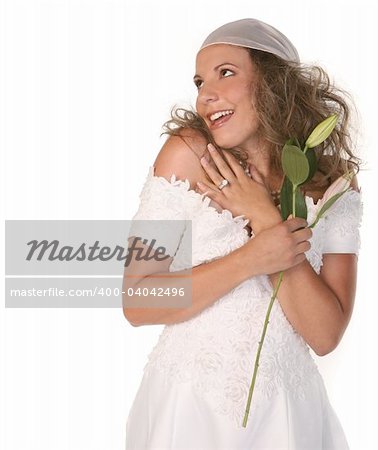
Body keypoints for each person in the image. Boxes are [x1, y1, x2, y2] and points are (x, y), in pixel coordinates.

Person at [123, 18, 362, 449]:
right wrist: (252, 258)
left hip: (289, 417)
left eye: (226, 72)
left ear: (274, 84)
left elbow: (325, 336)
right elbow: (138, 301)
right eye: (199, 81)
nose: (204, 95)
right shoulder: (190, 156)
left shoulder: (332, 184)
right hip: (189, 410)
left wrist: (265, 218)